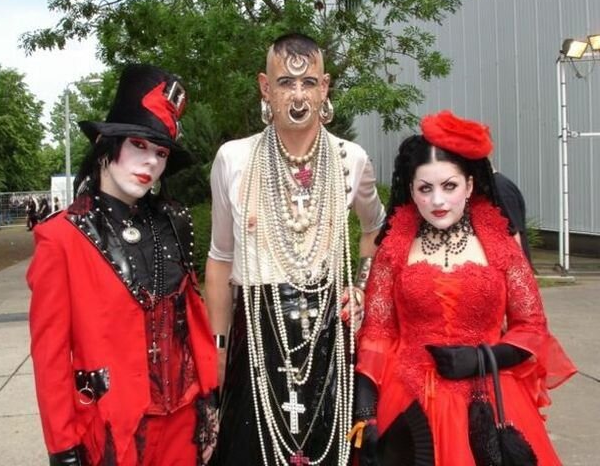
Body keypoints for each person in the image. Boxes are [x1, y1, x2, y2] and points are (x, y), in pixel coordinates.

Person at [352, 110, 576, 465]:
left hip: (490, 399)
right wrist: (364, 409)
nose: (438, 201)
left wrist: (481, 359)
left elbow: (532, 327)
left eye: (449, 186)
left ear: (469, 186)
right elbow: (377, 332)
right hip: (408, 400)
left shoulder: (499, 243)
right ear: (411, 191)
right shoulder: (394, 248)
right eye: (425, 189)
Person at [206, 33, 385, 465]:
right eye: (286, 82)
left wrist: (362, 286)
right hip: (256, 332)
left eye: (309, 83)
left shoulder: (351, 159)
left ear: (325, 87)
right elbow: (220, 259)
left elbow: (377, 229)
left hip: (328, 334)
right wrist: (218, 348)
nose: (299, 96)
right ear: (265, 87)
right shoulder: (233, 159)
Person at [27, 64, 218, 466]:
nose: (150, 163)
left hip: (185, 424)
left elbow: (192, 321)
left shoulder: (175, 221)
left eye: (161, 153)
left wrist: (210, 397)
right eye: (138, 145)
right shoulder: (61, 238)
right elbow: (50, 356)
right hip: (114, 431)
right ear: (105, 143)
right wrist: (62, 447)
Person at [493, 167, 533, 266]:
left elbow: (513, 232)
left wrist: (519, 269)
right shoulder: (496, 185)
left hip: (509, 263)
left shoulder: (500, 188)